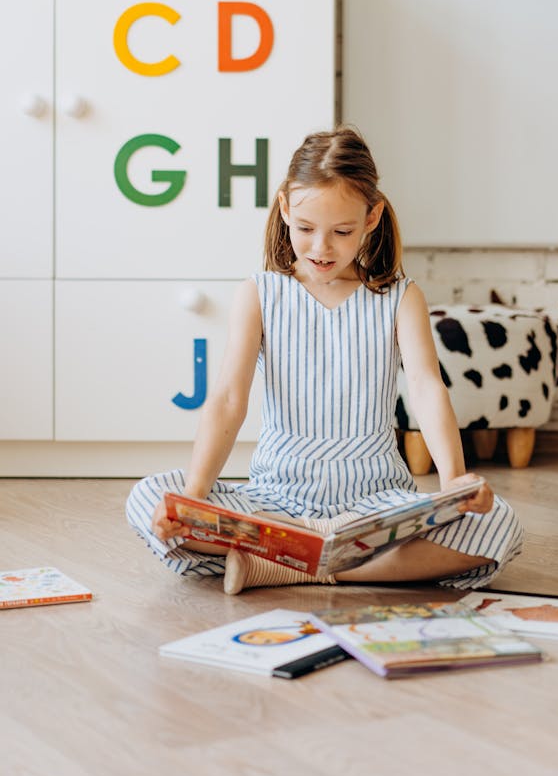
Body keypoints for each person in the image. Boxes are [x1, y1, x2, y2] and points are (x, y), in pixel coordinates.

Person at [126, 126, 523, 594]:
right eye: (306, 229)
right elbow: (230, 398)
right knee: (147, 498)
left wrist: (455, 481)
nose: (321, 248)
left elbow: (425, 387)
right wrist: (193, 498)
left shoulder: (399, 297)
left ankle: (291, 565)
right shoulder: (260, 294)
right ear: (284, 209)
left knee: (499, 523)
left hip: (375, 507)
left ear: (372, 217)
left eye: (342, 231)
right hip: (276, 504)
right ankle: (328, 558)